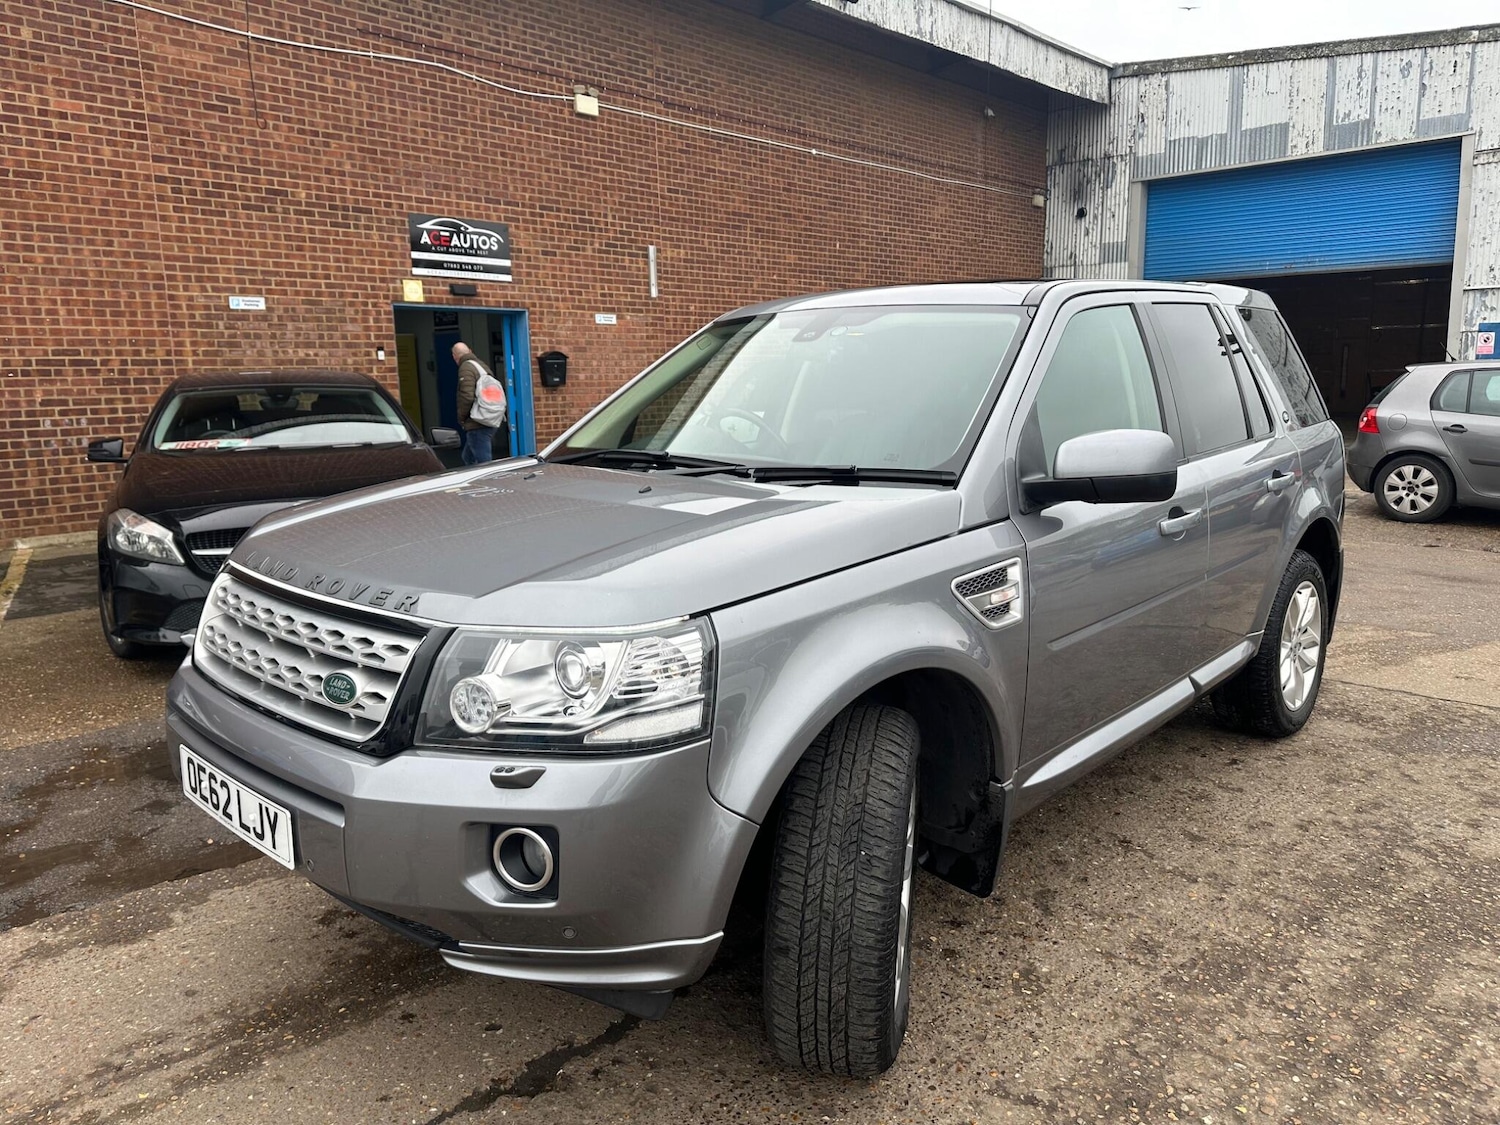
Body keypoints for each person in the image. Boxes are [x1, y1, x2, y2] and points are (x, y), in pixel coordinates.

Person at [452, 341, 507, 464]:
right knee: (468, 457)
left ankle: (486, 482)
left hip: (478, 422)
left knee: (484, 463)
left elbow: (467, 397)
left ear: (454, 356)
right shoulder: (481, 366)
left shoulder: (466, 368)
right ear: (470, 351)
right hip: (490, 417)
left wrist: (462, 418)